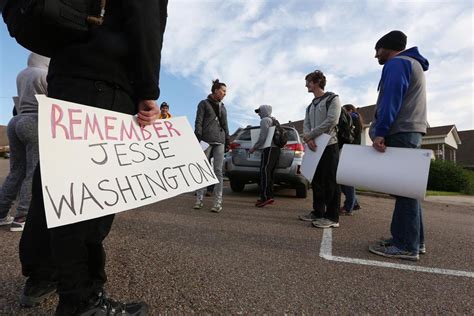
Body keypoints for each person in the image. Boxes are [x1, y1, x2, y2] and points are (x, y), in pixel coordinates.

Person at [18, 1, 168, 315]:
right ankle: (81, 300)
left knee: (54, 186)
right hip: (106, 82)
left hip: (67, 75)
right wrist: (148, 89)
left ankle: (41, 276)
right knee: (89, 196)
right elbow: (145, 20)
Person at [367, 30, 428, 261]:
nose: (376, 56)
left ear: (388, 47)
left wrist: (380, 132)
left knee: (404, 190)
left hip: (400, 131)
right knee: (408, 189)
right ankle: (413, 240)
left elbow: (391, 98)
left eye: (378, 50)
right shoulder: (414, 64)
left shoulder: (396, 64)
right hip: (412, 130)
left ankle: (405, 245)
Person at [0, 53, 49, 232]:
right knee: (33, 172)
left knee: (16, 171)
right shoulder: (44, 75)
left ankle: (1, 212)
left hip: (17, 120)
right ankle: (22, 216)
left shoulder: (21, 74)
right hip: (35, 121)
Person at [298, 70, 341, 228]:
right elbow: (306, 124)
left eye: (308, 81)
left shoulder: (332, 99)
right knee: (316, 180)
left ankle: (332, 217)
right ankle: (318, 212)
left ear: (316, 82)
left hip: (329, 145)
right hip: (313, 147)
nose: (306, 85)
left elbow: (332, 120)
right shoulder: (310, 107)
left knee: (330, 180)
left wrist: (310, 136)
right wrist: (308, 138)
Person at [193, 79, 230, 213]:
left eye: (226, 91)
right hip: (206, 140)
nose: (225, 94)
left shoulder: (223, 107)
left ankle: (217, 202)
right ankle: (199, 199)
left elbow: (225, 124)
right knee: (202, 169)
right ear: (215, 90)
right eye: (223, 91)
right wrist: (198, 137)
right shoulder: (203, 104)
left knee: (218, 171)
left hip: (220, 141)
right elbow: (198, 121)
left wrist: (228, 139)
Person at [249, 105, 281, 207]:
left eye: (260, 111)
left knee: (264, 172)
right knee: (270, 173)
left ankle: (265, 197)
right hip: (276, 149)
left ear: (264, 111)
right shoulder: (274, 120)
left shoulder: (264, 121)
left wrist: (254, 147)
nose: (258, 114)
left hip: (269, 148)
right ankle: (270, 196)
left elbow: (263, 137)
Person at [339, 104, 362, 216]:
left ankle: (348, 207)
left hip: (349, 152)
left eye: (344, 111)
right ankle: (354, 203)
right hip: (351, 152)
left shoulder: (353, 118)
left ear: (349, 110)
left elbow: (348, 135)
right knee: (343, 180)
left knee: (347, 181)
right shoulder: (354, 119)